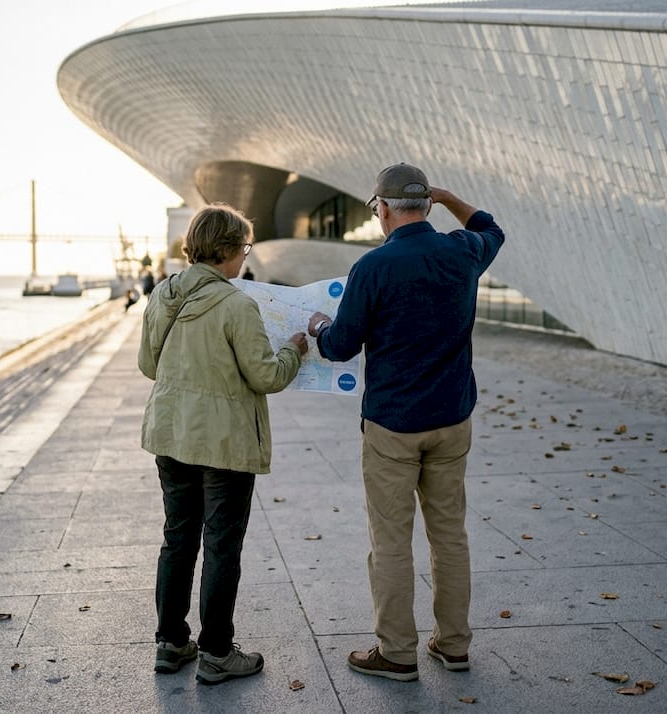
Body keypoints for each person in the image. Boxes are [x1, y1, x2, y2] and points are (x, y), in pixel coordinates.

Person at [308, 163, 504, 682]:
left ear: (385, 208)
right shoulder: (462, 252)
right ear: (426, 205)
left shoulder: (374, 266)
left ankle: (396, 652)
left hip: (393, 424)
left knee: (392, 542)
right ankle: (454, 645)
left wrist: (319, 325)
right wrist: (449, 197)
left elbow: (341, 344)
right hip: (452, 417)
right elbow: (492, 228)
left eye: (376, 208)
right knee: (450, 537)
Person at [139, 203, 308, 685]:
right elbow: (267, 375)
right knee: (221, 546)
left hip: (171, 435)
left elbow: (150, 366)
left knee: (177, 537)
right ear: (230, 250)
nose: (244, 259)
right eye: (244, 249)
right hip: (224, 443)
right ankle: (216, 653)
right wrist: (293, 351)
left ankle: (170, 643)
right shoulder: (237, 305)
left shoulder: (162, 294)